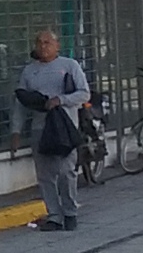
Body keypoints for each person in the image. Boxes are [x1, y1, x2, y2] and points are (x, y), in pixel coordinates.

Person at [17, 29, 90, 231]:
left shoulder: (69, 66)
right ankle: (54, 216)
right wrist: (16, 130)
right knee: (45, 175)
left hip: (65, 127)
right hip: (40, 128)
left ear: (57, 46)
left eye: (47, 42)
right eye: (39, 42)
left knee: (66, 172)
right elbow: (20, 103)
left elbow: (84, 94)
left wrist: (61, 100)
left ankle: (70, 212)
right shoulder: (29, 71)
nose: (43, 46)